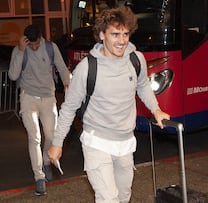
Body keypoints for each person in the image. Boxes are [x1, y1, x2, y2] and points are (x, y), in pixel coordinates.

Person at [48, 6, 170, 203]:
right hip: (97, 141)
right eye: (115, 34)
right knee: (108, 198)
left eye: (125, 34)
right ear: (102, 35)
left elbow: (143, 86)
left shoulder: (136, 59)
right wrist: (57, 142)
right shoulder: (87, 68)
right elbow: (69, 107)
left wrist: (156, 110)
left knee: (123, 197)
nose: (121, 40)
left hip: (125, 142)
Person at [8, 24, 71, 195]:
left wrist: (68, 84)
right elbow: (13, 75)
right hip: (28, 98)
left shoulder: (50, 48)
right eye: (31, 45)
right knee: (34, 137)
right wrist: (21, 51)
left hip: (48, 98)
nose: (34, 47)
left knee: (51, 135)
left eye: (36, 44)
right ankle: (39, 177)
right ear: (26, 41)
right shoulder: (20, 49)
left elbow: (62, 67)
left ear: (41, 38)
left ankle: (46, 161)